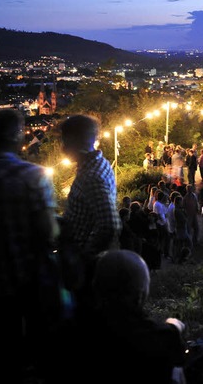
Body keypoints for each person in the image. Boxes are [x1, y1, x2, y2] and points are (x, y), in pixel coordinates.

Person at [0, 108, 63, 383]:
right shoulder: (33, 175)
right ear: (16, 134)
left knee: (2, 357)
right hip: (31, 281)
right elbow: (49, 230)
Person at [45, 249, 188, 384]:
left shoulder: (66, 333)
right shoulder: (160, 339)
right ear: (141, 293)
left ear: (95, 286)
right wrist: (173, 328)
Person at [59, 114, 122, 320]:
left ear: (73, 141)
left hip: (86, 267)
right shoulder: (96, 164)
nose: (61, 145)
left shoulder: (91, 176)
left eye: (64, 140)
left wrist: (85, 257)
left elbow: (109, 223)